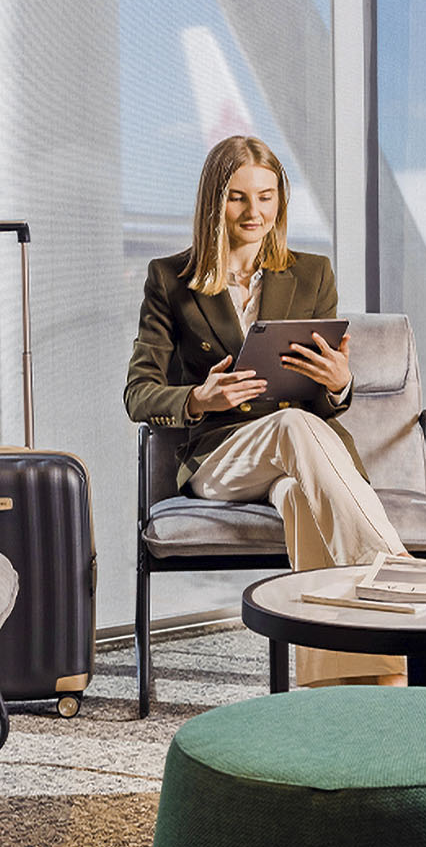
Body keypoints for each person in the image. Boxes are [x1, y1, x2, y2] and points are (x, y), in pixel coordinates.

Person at [125, 134, 408, 687]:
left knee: (304, 496)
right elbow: (138, 392)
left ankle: (349, 680)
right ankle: (396, 572)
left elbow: (325, 396)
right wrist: (199, 397)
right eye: (237, 197)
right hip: (220, 459)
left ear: (280, 200)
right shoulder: (170, 280)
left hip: (298, 456)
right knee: (292, 426)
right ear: (214, 201)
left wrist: (340, 383)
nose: (254, 212)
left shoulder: (312, 273)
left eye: (267, 196)